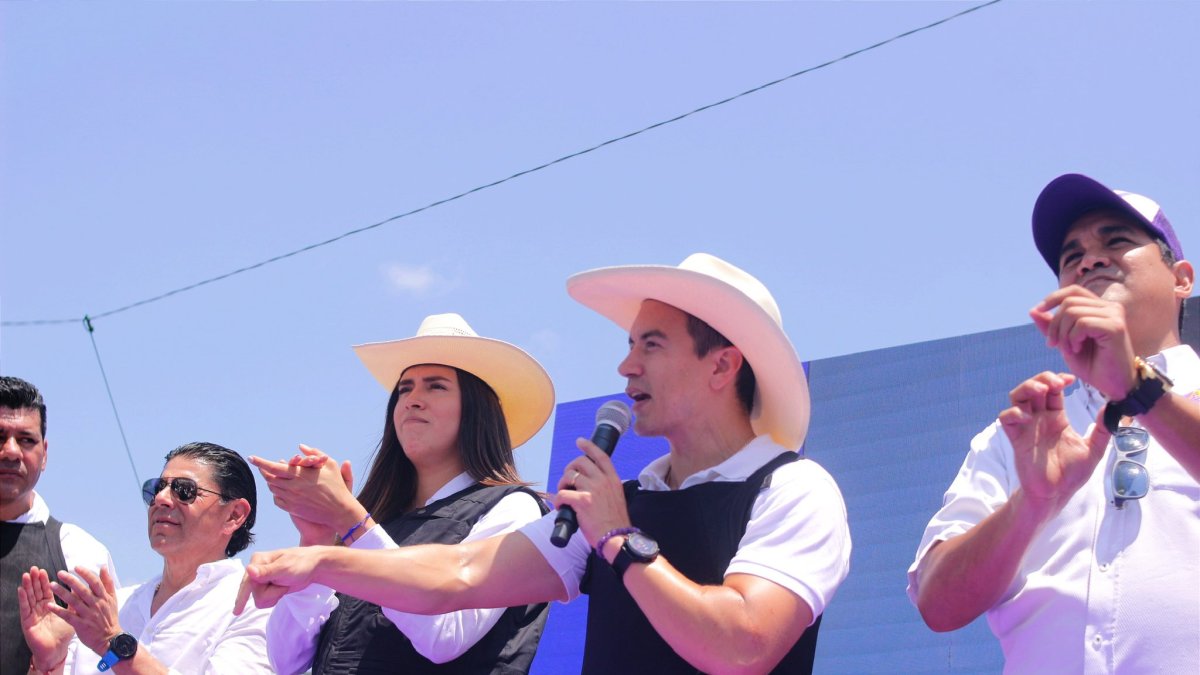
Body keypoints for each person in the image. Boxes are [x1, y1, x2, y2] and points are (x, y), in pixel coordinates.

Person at [237, 253, 852, 674]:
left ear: (722, 365)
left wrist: (619, 539)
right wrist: (322, 559)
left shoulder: (794, 487)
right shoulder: (620, 501)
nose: (626, 366)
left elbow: (742, 646)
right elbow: (461, 575)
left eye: (652, 345)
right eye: (629, 345)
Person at [907, 174, 1200, 672]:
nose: (1089, 260)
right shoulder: (1017, 435)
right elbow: (939, 605)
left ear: (1182, 279)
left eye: (1117, 240)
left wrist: (1139, 387)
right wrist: (1033, 504)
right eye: (1071, 257)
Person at [251, 313, 554, 674]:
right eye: (405, 389)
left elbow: (445, 639)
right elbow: (286, 661)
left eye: (436, 386)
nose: (412, 400)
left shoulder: (514, 508)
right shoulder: (372, 527)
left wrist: (349, 521)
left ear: (479, 410)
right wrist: (316, 540)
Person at [19, 442, 272, 674]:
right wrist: (48, 662)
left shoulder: (256, 605)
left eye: (184, 490)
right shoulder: (114, 607)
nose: (161, 499)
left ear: (234, 515)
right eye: (157, 488)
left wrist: (113, 642)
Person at [2, 376, 118, 674]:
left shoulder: (79, 555)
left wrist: (50, 665)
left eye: (26, 440)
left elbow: (111, 664)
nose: (11, 451)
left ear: (44, 454)